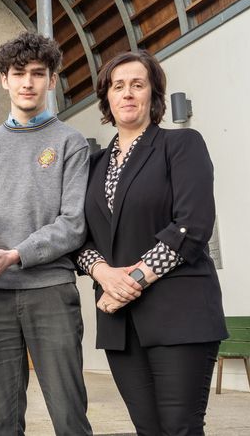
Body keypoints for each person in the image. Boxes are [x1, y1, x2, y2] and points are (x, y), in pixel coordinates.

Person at [76, 50, 228, 435]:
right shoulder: (92, 166)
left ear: (153, 95)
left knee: (180, 427)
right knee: (147, 429)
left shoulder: (182, 144)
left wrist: (132, 281)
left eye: (137, 85)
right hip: (120, 324)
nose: (127, 93)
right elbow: (79, 237)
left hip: (180, 313)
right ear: (107, 97)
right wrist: (103, 273)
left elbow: (192, 225)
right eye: (118, 86)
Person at [0, 32, 93, 435]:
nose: (28, 83)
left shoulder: (70, 142)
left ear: (51, 80)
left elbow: (73, 223)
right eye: (18, 73)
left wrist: (15, 254)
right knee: (1, 419)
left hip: (50, 289)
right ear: (4, 79)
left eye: (38, 74)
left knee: (69, 414)